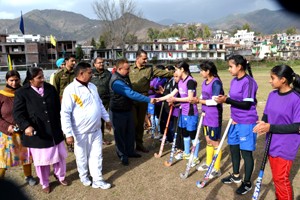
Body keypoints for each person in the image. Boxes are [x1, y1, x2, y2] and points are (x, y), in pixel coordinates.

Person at [13, 67, 68, 194]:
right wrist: (26, 126)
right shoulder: (22, 92)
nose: (43, 79)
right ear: (31, 80)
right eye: (39, 77)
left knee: (60, 157)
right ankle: (45, 182)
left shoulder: (50, 88)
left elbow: (58, 108)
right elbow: (18, 113)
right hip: (38, 134)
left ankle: (60, 176)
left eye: (43, 76)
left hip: (54, 130)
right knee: (42, 161)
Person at [60, 62, 112, 189]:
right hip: (80, 132)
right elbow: (65, 113)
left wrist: (107, 119)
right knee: (82, 157)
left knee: (97, 155)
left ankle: (97, 179)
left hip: (96, 130)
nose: (92, 74)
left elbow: (99, 104)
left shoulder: (93, 86)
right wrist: (68, 134)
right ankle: (84, 176)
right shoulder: (70, 90)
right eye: (89, 73)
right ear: (81, 73)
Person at [253, 64, 300, 200]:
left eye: (272, 78)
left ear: (283, 79)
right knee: (277, 178)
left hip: (286, 145)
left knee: (281, 179)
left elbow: (297, 126)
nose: (270, 81)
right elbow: (267, 115)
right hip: (271, 142)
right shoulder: (272, 95)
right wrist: (263, 123)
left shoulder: (296, 99)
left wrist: (270, 127)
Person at [214, 55, 258, 195]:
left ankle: (247, 183)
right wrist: (224, 98)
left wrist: (227, 100)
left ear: (239, 66)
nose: (228, 69)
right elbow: (233, 98)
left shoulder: (249, 82)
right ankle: (235, 175)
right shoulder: (234, 81)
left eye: (231, 66)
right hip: (235, 121)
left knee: (246, 153)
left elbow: (246, 104)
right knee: (233, 149)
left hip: (246, 122)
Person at [110, 59, 156, 165]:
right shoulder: (116, 81)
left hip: (127, 109)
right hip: (118, 111)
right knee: (120, 135)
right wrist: (148, 99)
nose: (129, 71)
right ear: (119, 69)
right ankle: (122, 155)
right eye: (126, 69)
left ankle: (130, 151)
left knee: (130, 132)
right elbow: (130, 93)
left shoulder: (124, 77)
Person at [129, 49, 173, 153]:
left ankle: (139, 144)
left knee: (140, 123)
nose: (146, 61)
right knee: (132, 122)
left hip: (144, 98)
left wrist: (176, 72)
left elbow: (163, 73)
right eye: (144, 59)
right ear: (137, 58)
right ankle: (130, 145)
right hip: (131, 98)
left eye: (146, 59)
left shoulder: (150, 69)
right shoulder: (130, 68)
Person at [157, 61, 200, 167]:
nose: (175, 72)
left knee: (192, 135)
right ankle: (186, 153)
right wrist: (158, 99)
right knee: (184, 133)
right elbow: (171, 94)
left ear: (182, 70)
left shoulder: (190, 81)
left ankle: (195, 157)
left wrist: (175, 99)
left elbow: (190, 98)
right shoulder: (179, 81)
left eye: (176, 69)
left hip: (190, 112)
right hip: (183, 112)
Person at [0, 70, 36, 186]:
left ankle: (28, 176)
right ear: (6, 81)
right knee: (3, 159)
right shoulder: (1, 95)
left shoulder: (24, 92)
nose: (14, 83)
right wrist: (7, 126)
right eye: (11, 80)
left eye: (16, 80)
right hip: (7, 133)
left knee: (26, 156)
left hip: (23, 131)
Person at [189, 61, 224, 179]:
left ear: (208, 71)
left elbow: (214, 101)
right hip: (205, 115)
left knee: (215, 142)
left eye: (202, 70)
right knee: (208, 140)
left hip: (214, 116)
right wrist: (198, 99)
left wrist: (199, 101)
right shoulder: (205, 82)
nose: (200, 72)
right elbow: (204, 96)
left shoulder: (216, 83)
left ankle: (216, 168)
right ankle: (208, 163)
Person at [53, 54, 76, 152]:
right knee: (65, 122)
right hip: (63, 102)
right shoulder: (58, 75)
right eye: (72, 61)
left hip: (76, 101)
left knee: (75, 121)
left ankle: (75, 141)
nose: (74, 63)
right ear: (66, 61)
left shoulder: (77, 73)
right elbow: (55, 91)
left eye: (75, 61)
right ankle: (69, 143)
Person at [91, 57, 112, 145]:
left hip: (106, 100)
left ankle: (102, 137)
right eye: (99, 63)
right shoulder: (90, 73)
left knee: (103, 119)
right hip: (93, 100)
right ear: (94, 64)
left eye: (103, 62)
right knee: (95, 119)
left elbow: (111, 86)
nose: (101, 64)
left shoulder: (108, 74)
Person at [147, 64, 168, 139]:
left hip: (158, 100)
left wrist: (154, 89)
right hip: (151, 99)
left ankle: (158, 131)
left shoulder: (163, 79)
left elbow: (160, 90)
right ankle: (153, 131)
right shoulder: (154, 79)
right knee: (153, 116)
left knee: (156, 117)